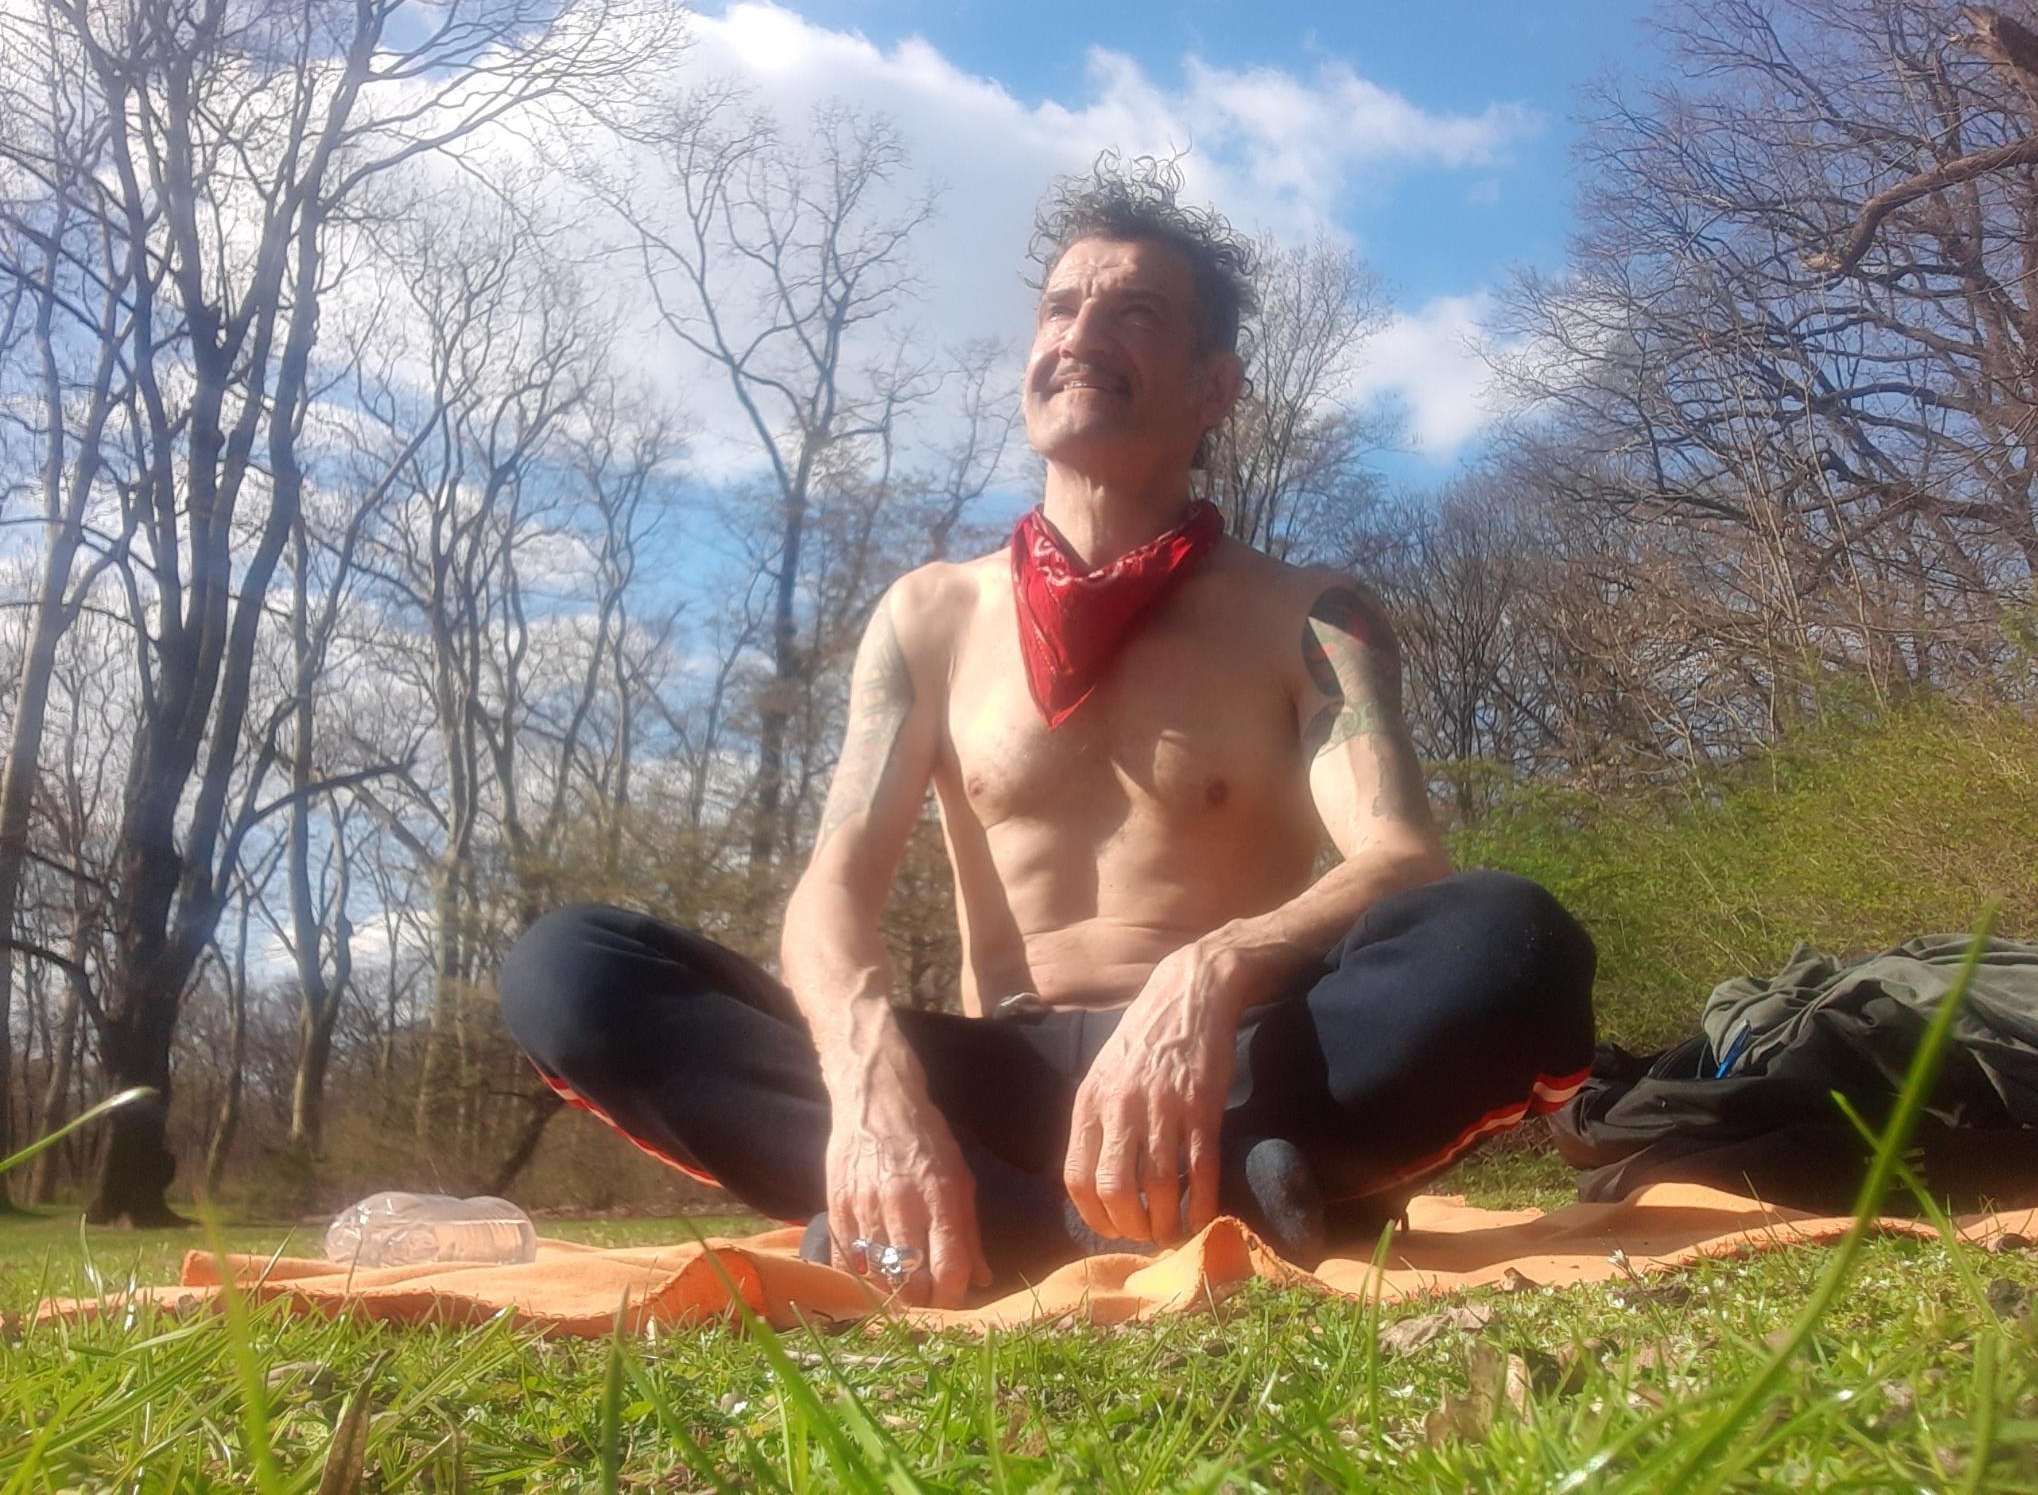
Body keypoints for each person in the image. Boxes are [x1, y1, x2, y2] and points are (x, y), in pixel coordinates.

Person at [500, 156, 1596, 1308]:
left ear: (1213, 386)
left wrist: (1207, 973)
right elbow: (832, 889)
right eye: (1060, 307)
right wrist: (871, 1084)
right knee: (569, 970)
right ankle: (1142, 1198)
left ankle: (1018, 1218)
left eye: (1134, 313)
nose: (1079, 335)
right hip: (985, 1087)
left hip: (1235, 1066)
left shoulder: (1311, 615)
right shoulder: (927, 616)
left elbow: (1401, 859)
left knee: (1514, 944)